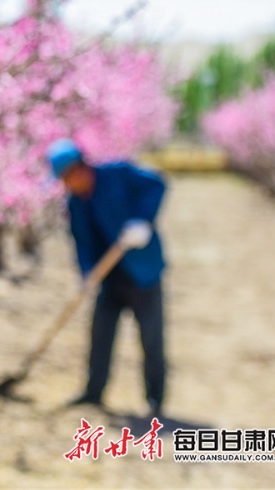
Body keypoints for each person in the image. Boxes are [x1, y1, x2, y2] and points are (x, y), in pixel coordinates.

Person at [46, 138, 168, 416]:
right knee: (100, 334)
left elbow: (157, 184)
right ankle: (93, 392)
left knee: (151, 337)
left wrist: (143, 220)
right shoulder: (76, 202)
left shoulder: (117, 173)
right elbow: (82, 241)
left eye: (67, 178)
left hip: (143, 272)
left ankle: (155, 400)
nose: (67, 185)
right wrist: (87, 273)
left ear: (80, 169)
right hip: (110, 277)